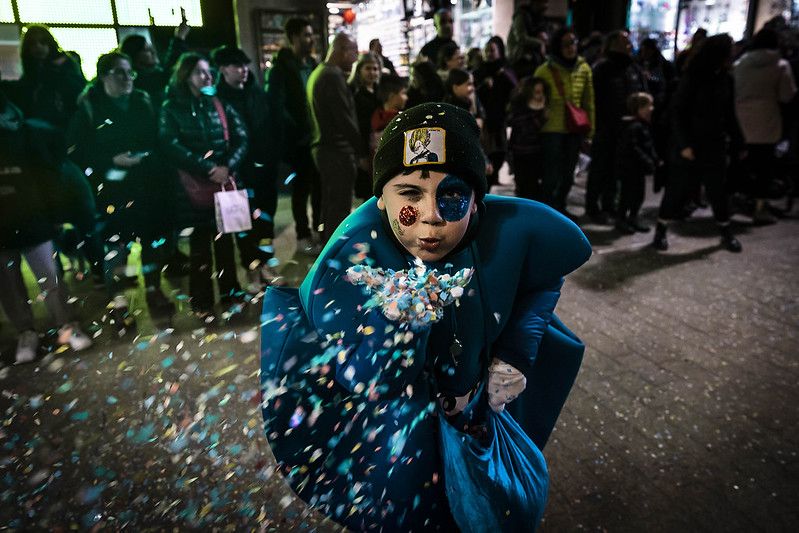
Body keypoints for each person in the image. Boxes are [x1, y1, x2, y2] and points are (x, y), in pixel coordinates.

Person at [260, 102, 592, 530]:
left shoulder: (498, 231)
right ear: (381, 198)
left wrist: (515, 352)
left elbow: (543, 277)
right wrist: (396, 329)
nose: (432, 217)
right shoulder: (354, 257)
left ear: (476, 202)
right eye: (411, 193)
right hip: (400, 445)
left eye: (452, 194)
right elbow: (363, 378)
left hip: (475, 420)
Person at [67, 51, 175, 330]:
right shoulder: (89, 106)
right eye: (119, 73)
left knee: (151, 243)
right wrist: (109, 161)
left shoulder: (142, 101)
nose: (127, 78)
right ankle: (119, 303)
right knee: (116, 247)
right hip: (110, 191)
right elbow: (77, 151)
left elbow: (157, 137)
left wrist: (145, 158)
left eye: (130, 72)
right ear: (104, 76)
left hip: (145, 185)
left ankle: (153, 291)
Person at [0, 89, 92, 363]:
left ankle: (66, 325)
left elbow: (47, 175)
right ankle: (26, 332)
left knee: (49, 277)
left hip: (33, 217)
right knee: (8, 284)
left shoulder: (26, 132)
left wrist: (55, 214)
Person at [159, 53, 248, 321]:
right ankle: (202, 301)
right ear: (185, 75)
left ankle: (232, 293)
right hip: (192, 190)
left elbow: (241, 137)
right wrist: (208, 168)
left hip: (223, 186)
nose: (207, 76)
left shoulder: (218, 103)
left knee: (225, 245)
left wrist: (228, 167)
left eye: (208, 71)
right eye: (200, 72)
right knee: (199, 249)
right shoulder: (171, 107)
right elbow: (169, 145)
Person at [653, 34, 745, 253]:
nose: (733, 53)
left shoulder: (726, 78)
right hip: (689, 144)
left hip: (714, 143)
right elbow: (678, 112)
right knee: (676, 190)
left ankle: (725, 230)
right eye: (729, 50)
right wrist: (684, 144)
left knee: (717, 190)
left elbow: (729, 114)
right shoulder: (693, 77)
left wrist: (739, 141)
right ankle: (661, 230)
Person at [212, 45, 283, 290]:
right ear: (222, 69)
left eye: (244, 65)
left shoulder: (256, 92)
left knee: (265, 220)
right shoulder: (217, 99)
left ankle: (265, 264)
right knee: (242, 224)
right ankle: (251, 269)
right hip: (237, 172)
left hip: (264, 168)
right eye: (236, 66)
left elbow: (270, 125)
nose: (242, 70)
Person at [265, 17, 322, 256]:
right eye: (306, 35)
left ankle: (318, 229)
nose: (311, 40)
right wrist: (299, 131)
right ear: (294, 38)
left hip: (319, 137)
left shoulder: (313, 63)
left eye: (312, 35)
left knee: (319, 185)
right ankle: (302, 234)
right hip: (299, 141)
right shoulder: (280, 68)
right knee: (302, 188)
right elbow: (276, 106)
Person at [733, 28, 797, 224]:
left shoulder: (741, 63)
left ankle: (731, 200)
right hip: (767, 121)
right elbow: (787, 95)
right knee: (764, 167)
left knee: (739, 162)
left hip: (739, 119)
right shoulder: (780, 65)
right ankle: (760, 208)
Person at [307, 32, 364, 244]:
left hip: (326, 149)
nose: (356, 58)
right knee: (338, 208)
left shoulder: (319, 73)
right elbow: (345, 120)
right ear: (341, 50)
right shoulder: (331, 76)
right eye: (353, 52)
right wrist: (362, 152)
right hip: (336, 151)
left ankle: (328, 248)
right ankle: (334, 255)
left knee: (331, 204)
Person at [585, 30, 648, 224]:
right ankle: (593, 207)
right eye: (625, 41)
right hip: (606, 128)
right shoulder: (602, 68)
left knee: (615, 170)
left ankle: (609, 205)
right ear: (613, 44)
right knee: (600, 169)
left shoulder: (632, 68)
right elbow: (594, 100)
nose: (629, 44)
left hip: (626, 129)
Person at [533, 27, 595, 216]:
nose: (571, 47)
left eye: (574, 42)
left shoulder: (583, 68)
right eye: (566, 44)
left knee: (569, 174)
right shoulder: (545, 70)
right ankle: (547, 210)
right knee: (551, 174)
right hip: (551, 129)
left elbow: (588, 101)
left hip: (574, 129)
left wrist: (590, 131)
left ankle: (560, 207)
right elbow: (534, 100)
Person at [7, 25, 86, 131]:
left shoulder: (65, 65)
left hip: (65, 124)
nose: (38, 46)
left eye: (43, 42)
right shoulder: (32, 74)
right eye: (33, 43)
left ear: (50, 43)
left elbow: (77, 90)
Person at [474, 36, 518, 191]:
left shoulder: (506, 69)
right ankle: (486, 187)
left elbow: (515, 88)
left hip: (500, 119)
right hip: (484, 121)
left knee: (500, 154)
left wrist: (502, 75)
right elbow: (473, 92)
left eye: (492, 50)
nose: (489, 53)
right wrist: (483, 84)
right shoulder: (479, 71)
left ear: (499, 51)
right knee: (487, 154)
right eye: (486, 50)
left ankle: (490, 182)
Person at [119, 21, 190, 111]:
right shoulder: (138, 79)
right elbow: (167, 74)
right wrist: (179, 38)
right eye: (147, 50)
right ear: (134, 55)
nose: (153, 52)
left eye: (151, 48)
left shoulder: (154, 72)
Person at [615, 92, 658, 234]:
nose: (652, 108)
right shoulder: (633, 127)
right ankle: (621, 220)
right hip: (630, 168)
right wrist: (647, 160)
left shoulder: (642, 125)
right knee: (627, 195)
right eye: (649, 105)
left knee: (638, 196)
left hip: (638, 168)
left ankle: (633, 218)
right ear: (639, 108)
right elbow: (633, 148)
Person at [507, 76, 549, 200]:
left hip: (535, 152)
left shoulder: (542, 109)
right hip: (520, 151)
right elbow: (520, 127)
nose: (540, 95)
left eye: (542, 92)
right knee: (522, 184)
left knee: (533, 184)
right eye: (537, 92)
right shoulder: (520, 109)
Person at [349, 53, 382, 200]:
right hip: (365, 149)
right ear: (359, 70)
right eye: (368, 68)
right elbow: (356, 127)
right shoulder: (355, 95)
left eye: (375, 69)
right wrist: (361, 154)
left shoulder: (380, 92)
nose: (372, 72)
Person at [507, 0, 550, 79]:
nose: (546, 5)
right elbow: (521, 38)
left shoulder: (539, 18)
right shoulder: (522, 15)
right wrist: (540, 43)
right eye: (543, 2)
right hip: (519, 59)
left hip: (533, 59)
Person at [370, 74, 408, 156]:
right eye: (403, 93)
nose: (406, 97)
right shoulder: (400, 120)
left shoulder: (375, 116)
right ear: (391, 96)